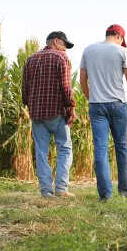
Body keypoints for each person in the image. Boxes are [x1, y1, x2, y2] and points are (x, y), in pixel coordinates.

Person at [80, 24, 127, 200]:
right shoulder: (122, 52)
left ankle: (105, 195)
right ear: (119, 36)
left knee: (100, 149)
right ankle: (125, 192)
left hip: (97, 106)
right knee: (122, 148)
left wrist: (92, 99)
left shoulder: (88, 50)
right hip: (118, 105)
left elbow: (82, 81)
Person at [22, 31, 77, 199]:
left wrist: (30, 105)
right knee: (65, 148)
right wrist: (71, 107)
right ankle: (61, 188)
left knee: (41, 152)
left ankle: (46, 191)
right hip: (56, 112)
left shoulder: (30, 59)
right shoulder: (60, 58)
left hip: (37, 114)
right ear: (56, 41)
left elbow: (24, 89)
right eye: (64, 45)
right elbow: (66, 87)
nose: (65, 50)